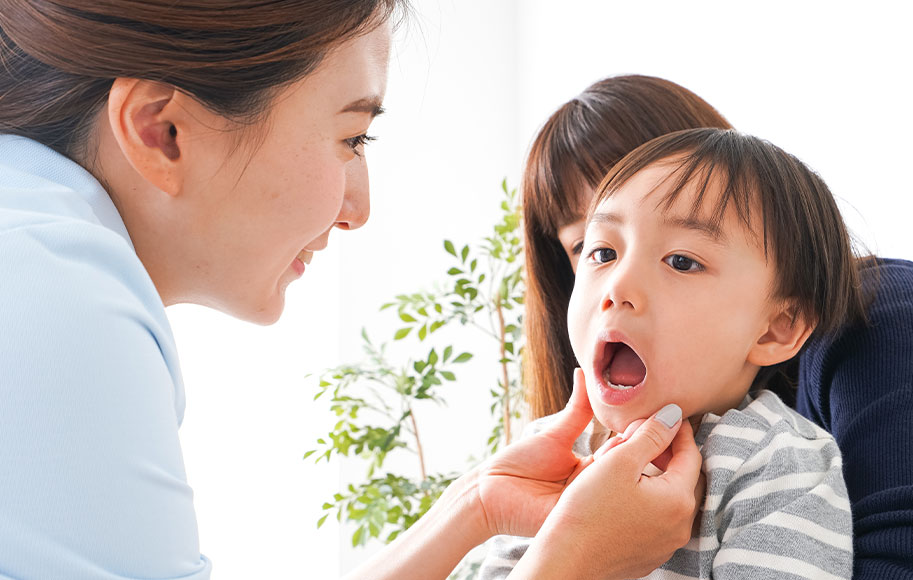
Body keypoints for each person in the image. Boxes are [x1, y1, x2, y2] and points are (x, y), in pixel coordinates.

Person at [0, 3, 704, 579]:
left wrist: (477, 505)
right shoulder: (59, 300)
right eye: (352, 139)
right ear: (162, 131)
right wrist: (566, 564)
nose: (358, 207)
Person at [520, 75, 913, 579]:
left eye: (680, 258)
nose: (621, 283)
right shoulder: (558, 454)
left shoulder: (782, 462)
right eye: (598, 249)